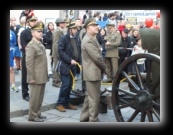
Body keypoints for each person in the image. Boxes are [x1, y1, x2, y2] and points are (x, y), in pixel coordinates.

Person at [80, 18, 106, 122]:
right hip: (92, 72)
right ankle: (93, 119)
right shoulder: (88, 40)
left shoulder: (92, 38)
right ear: (87, 28)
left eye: (96, 25)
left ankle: (84, 117)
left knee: (89, 96)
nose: (97, 27)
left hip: (93, 72)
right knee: (94, 98)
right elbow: (97, 58)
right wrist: (105, 69)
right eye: (93, 25)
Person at [26, 22, 49, 122]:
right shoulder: (31, 45)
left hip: (42, 75)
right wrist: (31, 77)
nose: (41, 33)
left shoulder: (39, 43)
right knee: (34, 98)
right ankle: (32, 116)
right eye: (38, 31)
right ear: (32, 33)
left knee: (40, 97)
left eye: (41, 31)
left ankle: (38, 113)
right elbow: (29, 63)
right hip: (35, 76)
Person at [56, 21, 81, 112]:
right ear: (70, 29)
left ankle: (67, 102)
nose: (76, 31)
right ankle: (59, 103)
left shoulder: (76, 38)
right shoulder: (63, 38)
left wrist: (79, 62)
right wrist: (70, 60)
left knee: (70, 85)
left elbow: (78, 51)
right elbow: (60, 52)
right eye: (74, 29)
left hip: (73, 66)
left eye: (76, 29)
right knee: (65, 85)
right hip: (65, 65)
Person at [20, 11, 38, 101]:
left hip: (36, 57)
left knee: (35, 75)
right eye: (32, 21)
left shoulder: (37, 31)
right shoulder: (24, 33)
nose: (34, 22)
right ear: (28, 22)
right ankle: (25, 93)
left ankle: (34, 92)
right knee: (25, 75)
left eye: (35, 21)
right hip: (27, 56)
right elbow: (24, 46)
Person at [51, 18, 66, 87]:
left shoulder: (59, 31)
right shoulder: (57, 31)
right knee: (57, 68)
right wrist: (59, 53)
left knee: (56, 67)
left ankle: (55, 81)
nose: (64, 24)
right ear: (59, 24)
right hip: (57, 53)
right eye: (63, 23)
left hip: (57, 53)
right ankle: (57, 82)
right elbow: (56, 44)